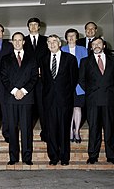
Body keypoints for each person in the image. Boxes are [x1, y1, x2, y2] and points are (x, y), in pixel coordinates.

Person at [79, 37, 114, 165]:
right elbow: (81, 80)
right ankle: (92, 155)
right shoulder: (85, 61)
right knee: (94, 128)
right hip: (93, 100)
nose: (96, 46)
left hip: (109, 100)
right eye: (94, 44)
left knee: (109, 129)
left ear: (104, 45)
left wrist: (108, 90)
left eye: (99, 43)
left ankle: (111, 156)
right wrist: (92, 92)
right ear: (91, 47)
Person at [1, 32, 37, 165]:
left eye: (20, 40)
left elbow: (34, 77)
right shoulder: (5, 59)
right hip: (11, 98)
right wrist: (15, 91)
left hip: (26, 98)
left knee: (27, 129)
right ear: (12, 42)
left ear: (24, 42)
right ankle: (13, 158)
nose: (17, 42)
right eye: (15, 40)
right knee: (12, 128)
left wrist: (23, 91)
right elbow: (4, 77)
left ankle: (27, 158)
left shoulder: (32, 58)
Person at [41, 34, 78, 166]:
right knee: (51, 130)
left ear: (60, 43)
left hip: (64, 100)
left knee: (64, 129)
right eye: (49, 42)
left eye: (54, 42)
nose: (52, 44)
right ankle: (53, 157)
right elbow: (44, 80)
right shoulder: (44, 60)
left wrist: (66, 94)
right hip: (49, 101)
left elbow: (74, 80)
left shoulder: (70, 59)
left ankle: (64, 158)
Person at [23, 17, 49, 142]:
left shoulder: (46, 40)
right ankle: (27, 135)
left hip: (41, 80)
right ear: (28, 27)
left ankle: (46, 133)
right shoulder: (23, 40)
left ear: (39, 27)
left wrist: (42, 71)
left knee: (43, 107)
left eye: (35, 25)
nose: (33, 27)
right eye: (31, 25)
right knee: (28, 109)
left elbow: (50, 59)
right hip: (27, 80)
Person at [61, 28, 88, 143]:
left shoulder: (83, 50)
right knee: (68, 108)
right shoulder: (62, 49)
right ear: (66, 38)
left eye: (73, 36)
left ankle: (76, 131)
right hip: (66, 84)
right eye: (68, 36)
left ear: (77, 37)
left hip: (79, 84)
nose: (71, 38)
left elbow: (86, 67)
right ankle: (70, 131)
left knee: (77, 107)